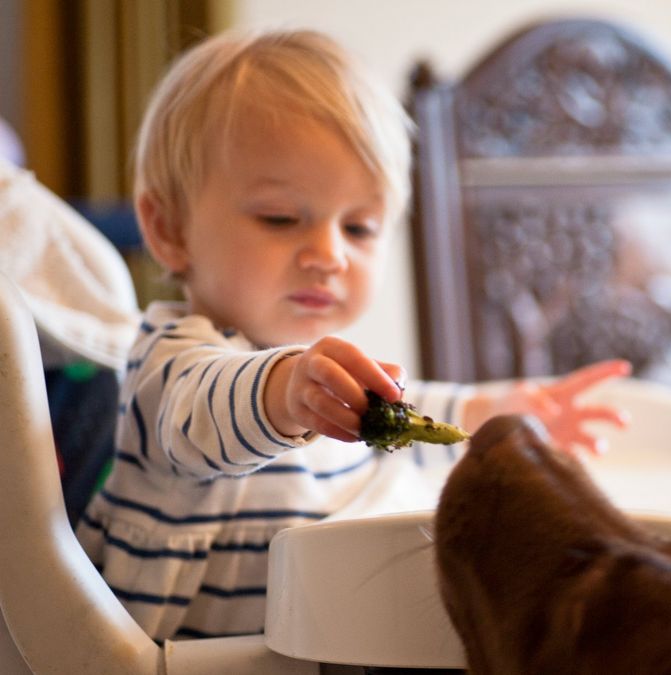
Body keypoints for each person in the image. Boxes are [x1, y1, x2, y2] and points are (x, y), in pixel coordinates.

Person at [74, 28, 630, 642]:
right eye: (280, 218)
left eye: (361, 228)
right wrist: (283, 392)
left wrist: (492, 416)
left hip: (327, 642)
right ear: (169, 228)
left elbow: (407, 424)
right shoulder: (168, 359)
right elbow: (202, 415)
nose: (329, 254)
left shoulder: (328, 385)